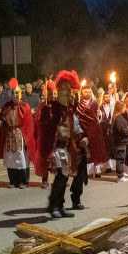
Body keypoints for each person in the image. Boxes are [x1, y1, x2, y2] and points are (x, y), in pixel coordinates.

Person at [37, 71, 89, 216]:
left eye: (69, 91)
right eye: (65, 91)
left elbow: (73, 127)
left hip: (67, 148)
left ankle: (60, 206)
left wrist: (83, 138)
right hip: (56, 148)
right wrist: (49, 151)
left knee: (64, 177)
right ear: (59, 91)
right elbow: (46, 131)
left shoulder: (69, 110)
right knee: (60, 177)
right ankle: (53, 205)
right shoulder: (50, 109)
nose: (68, 95)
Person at [0, 78, 36, 188]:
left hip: (20, 135)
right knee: (10, 159)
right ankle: (13, 181)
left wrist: (28, 138)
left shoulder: (25, 107)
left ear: (20, 94)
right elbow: (2, 122)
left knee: (22, 158)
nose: (16, 96)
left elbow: (28, 124)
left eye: (17, 94)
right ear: (11, 95)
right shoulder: (6, 106)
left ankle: (24, 181)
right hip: (9, 135)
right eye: (14, 94)